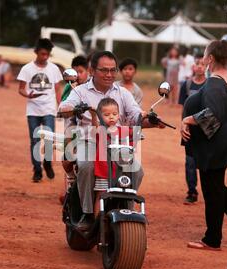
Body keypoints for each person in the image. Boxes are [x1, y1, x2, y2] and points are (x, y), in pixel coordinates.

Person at [59, 51, 166, 230]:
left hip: (116, 144)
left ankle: (126, 208)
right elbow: (63, 108)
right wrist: (76, 108)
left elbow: (135, 115)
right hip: (89, 141)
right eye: (104, 70)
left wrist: (153, 121)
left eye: (112, 70)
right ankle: (86, 213)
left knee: (137, 171)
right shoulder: (80, 91)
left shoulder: (123, 93)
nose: (109, 75)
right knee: (87, 166)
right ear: (92, 70)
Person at [181, 40, 227, 251]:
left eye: (205, 56)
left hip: (215, 141)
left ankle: (212, 239)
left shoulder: (215, 81)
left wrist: (188, 120)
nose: (204, 60)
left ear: (211, 58)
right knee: (216, 186)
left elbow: (213, 114)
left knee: (212, 188)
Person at [17, 38, 63, 183]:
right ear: (36, 52)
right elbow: (21, 89)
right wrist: (28, 94)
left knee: (49, 138)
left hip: (49, 108)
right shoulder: (27, 69)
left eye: (47, 55)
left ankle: (47, 163)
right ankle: (37, 170)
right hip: (33, 111)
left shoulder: (54, 69)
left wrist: (60, 106)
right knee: (35, 140)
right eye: (42, 54)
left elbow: (57, 90)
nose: (44, 57)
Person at [59, 55, 90, 203]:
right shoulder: (69, 87)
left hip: (91, 128)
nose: (78, 75)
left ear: (88, 72)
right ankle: (71, 183)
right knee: (67, 158)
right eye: (75, 72)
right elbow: (63, 108)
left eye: (81, 71)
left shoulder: (92, 87)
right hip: (72, 126)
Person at [178, 53, 207, 204]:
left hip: (206, 130)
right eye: (198, 63)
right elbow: (183, 108)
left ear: (207, 67)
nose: (200, 66)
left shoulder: (210, 85)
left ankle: (209, 191)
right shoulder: (187, 85)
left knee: (205, 162)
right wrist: (184, 126)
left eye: (203, 64)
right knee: (190, 162)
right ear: (193, 66)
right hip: (189, 130)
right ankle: (192, 191)